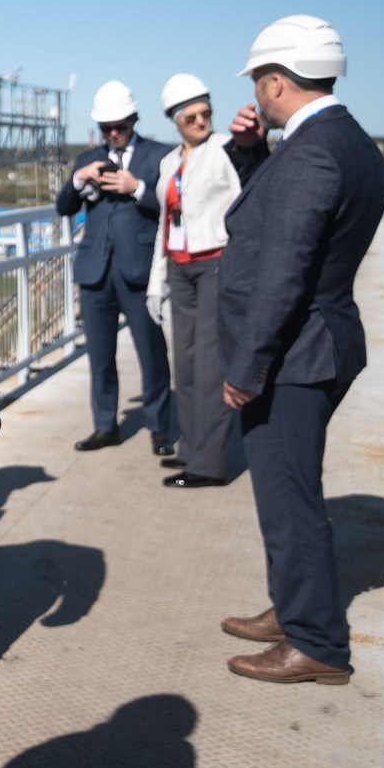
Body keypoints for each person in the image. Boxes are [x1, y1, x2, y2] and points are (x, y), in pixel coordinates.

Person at [216, 15, 384, 685]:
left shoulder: (313, 152)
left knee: (290, 499)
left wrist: (248, 365)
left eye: (261, 83)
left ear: (277, 81)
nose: (257, 95)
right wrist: (257, 155)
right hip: (320, 342)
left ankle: (315, 641)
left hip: (295, 356)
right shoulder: (346, 142)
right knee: (290, 492)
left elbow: (285, 269)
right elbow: (289, 220)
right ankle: (294, 607)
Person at [56, 80, 174, 455]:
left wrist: (137, 187)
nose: (113, 134)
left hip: (138, 271)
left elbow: (173, 206)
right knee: (100, 357)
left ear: (133, 120)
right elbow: (64, 207)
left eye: (119, 126)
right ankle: (105, 425)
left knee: (152, 354)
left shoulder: (159, 156)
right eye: (106, 128)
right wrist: (79, 179)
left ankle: (159, 427)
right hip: (95, 273)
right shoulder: (88, 159)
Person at [145, 73, 243, 489]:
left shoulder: (225, 151)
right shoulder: (169, 164)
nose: (202, 122)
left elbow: (246, 204)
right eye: (192, 117)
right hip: (180, 269)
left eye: (206, 114)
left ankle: (210, 464)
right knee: (183, 365)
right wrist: (157, 282)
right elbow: (164, 227)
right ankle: (191, 447)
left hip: (215, 263)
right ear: (176, 120)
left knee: (209, 367)